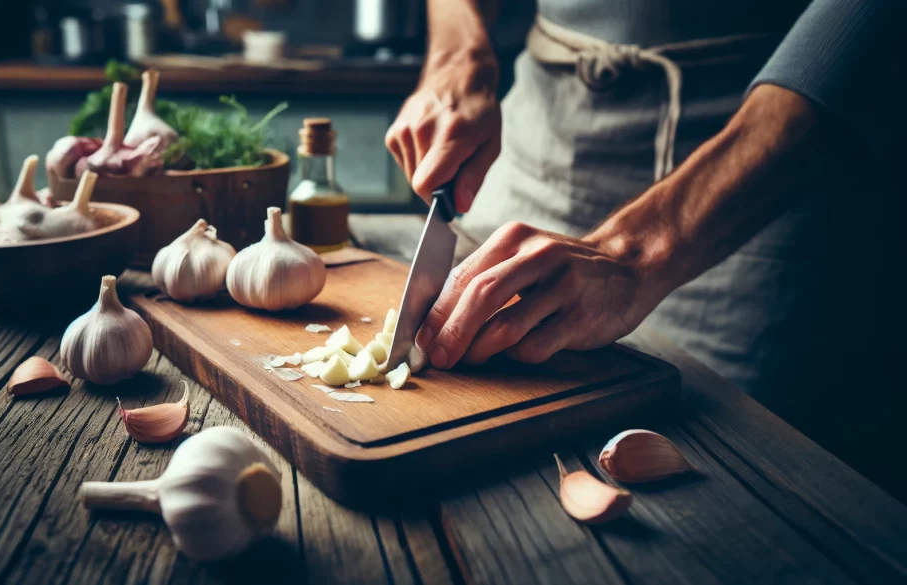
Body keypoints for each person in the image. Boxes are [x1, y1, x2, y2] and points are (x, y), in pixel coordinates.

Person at [386, 0, 905, 498]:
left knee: (732, 465)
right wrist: (458, 54)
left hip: (756, 185)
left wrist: (632, 254)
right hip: (535, 137)